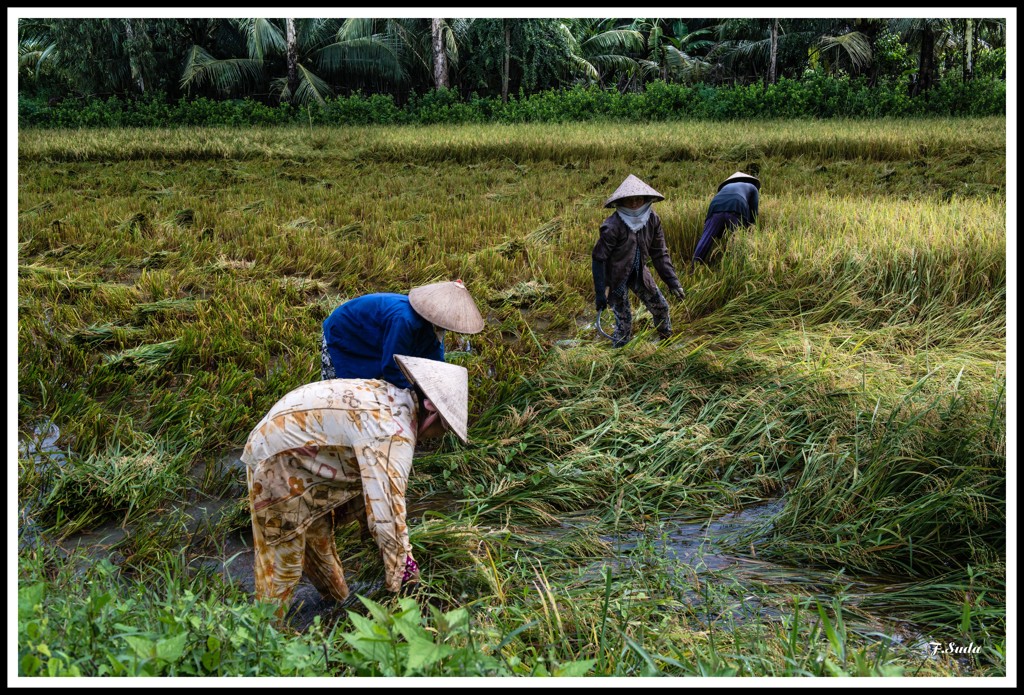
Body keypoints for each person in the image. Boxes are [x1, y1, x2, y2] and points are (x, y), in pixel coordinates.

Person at [240, 354, 470, 616]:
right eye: (444, 427)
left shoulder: (391, 395)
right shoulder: (394, 434)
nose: (439, 436)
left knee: (319, 540)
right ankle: (264, 637)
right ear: (431, 410)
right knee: (283, 562)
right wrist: (409, 581)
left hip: (297, 455)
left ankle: (336, 605)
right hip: (276, 463)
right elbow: (390, 520)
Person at [320, 280, 484, 387]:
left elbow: (433, 359)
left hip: (371, 336)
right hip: (345, 333)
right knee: (342, 389)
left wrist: (438, 384)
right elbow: (392, 367)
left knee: (369, 385)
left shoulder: (434, 324)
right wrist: (416, 392)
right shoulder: (404, 320)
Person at [592, 174, 685, 348]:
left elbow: (659, 254)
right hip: (616, 277)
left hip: (639, 273)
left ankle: (667, 346)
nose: (635, 203)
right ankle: (619, 357)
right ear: (621, 202)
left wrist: (673, 282)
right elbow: (599, 258)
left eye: (639, 199)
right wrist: (600, 292)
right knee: (625, 321)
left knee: (661, 308)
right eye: (630, 200)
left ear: (645, 199)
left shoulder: (652, 220)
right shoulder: (613, 226)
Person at [693, 171, 760, 264]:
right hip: (737, 205)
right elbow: (754, 212)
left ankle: (694, 265)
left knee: (706, 237)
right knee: (737, 239)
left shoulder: (725, 187)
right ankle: (735, 265)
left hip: (715, 206)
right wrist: (751, 228)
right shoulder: (752, 187)